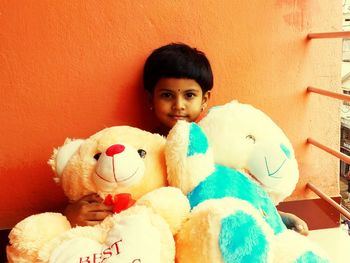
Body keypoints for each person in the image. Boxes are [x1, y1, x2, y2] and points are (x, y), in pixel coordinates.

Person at [64, 42, 309, 236]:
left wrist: (279, 218)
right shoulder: (142, 149)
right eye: (167, 95)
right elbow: (112, 192)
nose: (178, 105)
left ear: (205, 99)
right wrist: (73, 213)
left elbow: (238, 193)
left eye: (189, 95)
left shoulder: (216, 148)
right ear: (150, 99)